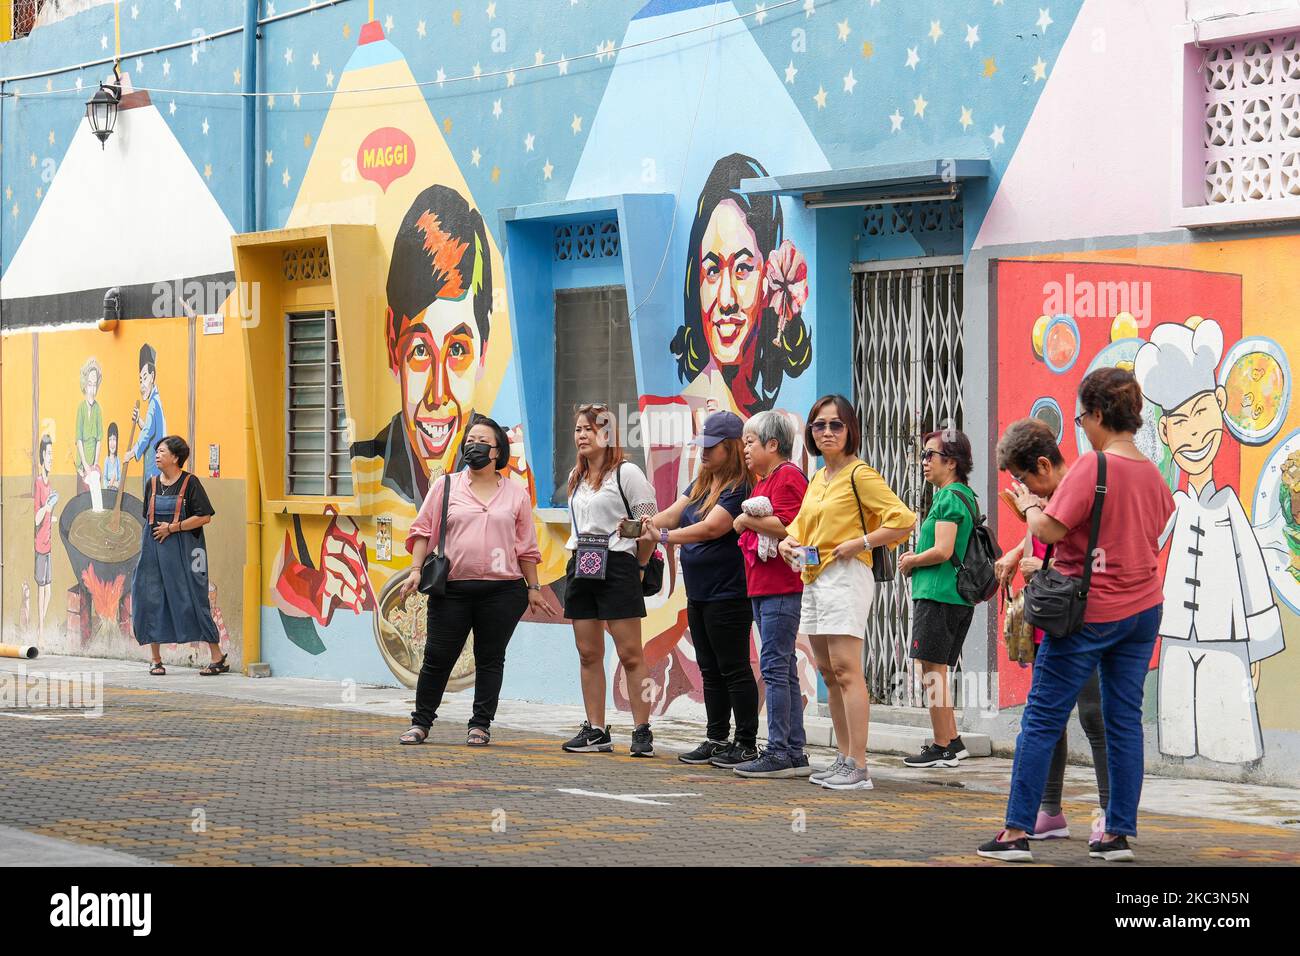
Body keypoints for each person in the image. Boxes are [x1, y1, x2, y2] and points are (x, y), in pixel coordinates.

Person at [978, 369, 1174, 863]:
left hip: (1090, 613)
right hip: (1144, 609)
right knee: (1123, 720)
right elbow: (1149, 532)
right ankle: (1115, 835)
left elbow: (1048, 527)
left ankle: (1016, 832)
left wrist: (1026, 506)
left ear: (1100, 414)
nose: (1082, 426)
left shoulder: (1093, 467)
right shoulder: (1153, 473)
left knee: (1042, 717)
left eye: (1083, 416)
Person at [1134, 318, 1284, 764]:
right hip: (1177, 636)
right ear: (1165, 432)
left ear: (1220, 405)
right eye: (1180, 422)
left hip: (1228, 638)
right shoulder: (1173, 504)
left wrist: (1257, 646)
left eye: (1202, 414)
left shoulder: (1231, 507)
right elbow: (1142, 546)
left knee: (1232, 739)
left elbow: (1253, 575)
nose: (1194, 434)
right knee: (1178, 736)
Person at [778, 395, 916, 791]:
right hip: (815, 576)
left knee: (846, 669)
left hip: (847, 575)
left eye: (835, 425)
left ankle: (859, 765)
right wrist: (788, 544)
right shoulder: (820, 478)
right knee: (827, 671)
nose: (826, 432)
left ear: (850, 429)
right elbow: (800, 528)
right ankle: (843, 757)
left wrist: (861, 543)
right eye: (819, 425)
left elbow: (903, 520)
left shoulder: (861, 474)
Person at [397, 416, 553, 747]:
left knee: (490, 657)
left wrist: (534, 589)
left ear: (497, 451)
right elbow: (423, 530)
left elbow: (526, 547)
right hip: (451, 589)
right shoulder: (446, 486)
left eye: (482, 441)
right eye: (469, 441)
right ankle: (421, 722)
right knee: (438, 656)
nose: (474, 446)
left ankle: (480, 724)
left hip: (503, 592)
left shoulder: (516, 494)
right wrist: (414, 570)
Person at [994, 418, 1110, 843]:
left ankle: (1108, 814)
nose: (1025, 490)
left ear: (1044, 465)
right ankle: (1049, 810)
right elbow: (1039, 537)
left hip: (1083, 619)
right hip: (1049, 618)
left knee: (1095, 716)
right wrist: (1015, 554)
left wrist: (1036, 563)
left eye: (1025, 479)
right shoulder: (1044, 498)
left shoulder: (1079, 489)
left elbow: (1077, 550)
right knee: (1048, 720)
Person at [352, 185, 495, 506]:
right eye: (420, 351)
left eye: (457, 351)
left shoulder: (506, 473)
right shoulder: (360, 473)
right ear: (392, 345)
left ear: (483, 350)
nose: (438, 395)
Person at [644, 411, 757, 769]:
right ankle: (716, 737)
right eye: (702, 446)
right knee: (709, 668)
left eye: (711, 447)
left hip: (729, 592)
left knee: (734, 667)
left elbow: (711, 529)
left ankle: (746, 742)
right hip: (700, 592)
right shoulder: (701, 483)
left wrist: (663, 537)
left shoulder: (739, 487)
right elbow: (673, 513)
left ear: (731, 448)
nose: (703, 453)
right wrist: (642, 524)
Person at [671, 153, 812, 416]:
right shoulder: (681, 419)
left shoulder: (787, 427)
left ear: (769, 277)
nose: (726, 300)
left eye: (743, 269)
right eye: (712, 270)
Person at [561, 404, 659, 757]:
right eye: (578, 429)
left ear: (608, 434)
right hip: (581, 563)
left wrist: (641, 566)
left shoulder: (627, 473)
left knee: (631, 653)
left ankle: (642, 729)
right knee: (588, 653)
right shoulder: (577, 476)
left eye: (591, 428)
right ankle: (596, 730)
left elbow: (649, 528)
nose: (582, 435)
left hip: (618, 563)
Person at [732, 410, 813, 778]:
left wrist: (746, 520)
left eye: (750, 442)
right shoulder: (765, 479)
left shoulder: (788, 476)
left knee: (774, 667)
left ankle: (779, 749)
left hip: (782, 586)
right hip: (764, 587)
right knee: (783, 668)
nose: (745, 449)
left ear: (773, 444)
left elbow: (790, 525)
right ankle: (793, 749)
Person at [897, 429, 977, 769]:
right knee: (938, 669)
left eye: (931, 455)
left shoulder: (947, 498)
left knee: (932, 671)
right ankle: (953, 739)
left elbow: (943, 550)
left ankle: (941, 745)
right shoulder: (965, 495)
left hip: (938, 594)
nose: (925, 461)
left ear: (952, 462)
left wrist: (911, 559)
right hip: (953, 596)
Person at [131, 436, 226, 676]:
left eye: (161, 451)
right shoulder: (151, 484)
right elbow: (148, 518)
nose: (157, 455)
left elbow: (205, 517)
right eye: (156, 451)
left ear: (175, 457)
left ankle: (217, 657)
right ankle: (155, 659)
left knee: (195, 599)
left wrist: (172, 528)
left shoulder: (190, 483)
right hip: (154, 553)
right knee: (151, 599)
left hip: (186, 553)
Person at [124, 343, 166, 492]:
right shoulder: (155, 402)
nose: (142, 384)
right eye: (140, 380)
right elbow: (150, 427)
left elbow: (148, 432)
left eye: (145, 378)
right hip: (154, 467)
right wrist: (138, 421)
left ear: (153, 376)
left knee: (152, 505)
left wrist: (133, 452)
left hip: (154, 469)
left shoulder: (154, 403)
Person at [33, 435, 57, 638]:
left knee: (49, 591)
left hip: (48, 544)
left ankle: (40, 627)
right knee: (41, 589)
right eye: (49, 454)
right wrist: (47, 507)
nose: (52, 458)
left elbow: (46, 514)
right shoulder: (39, 483)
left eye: (53, 454)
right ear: (42, 454)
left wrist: (52, 516)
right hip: (40, 545)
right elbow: (36, 517)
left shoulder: (49, 485)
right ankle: (40, 631)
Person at [75, 358, 103, 495]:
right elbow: (78, 440)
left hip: (93, 465)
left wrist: (95, 464)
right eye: (90, 384)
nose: (92, 389)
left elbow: (99, 440)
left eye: (94, 385)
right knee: (81, 500)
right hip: (82, 464)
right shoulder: (80, 408)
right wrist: (85, 465)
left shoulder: (98, 409)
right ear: (85, 385)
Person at [102, 422, 121, 491]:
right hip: (108, 492)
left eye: (114, 439)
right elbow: (104, 479)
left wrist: (116, 484)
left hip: (116, 492)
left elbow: (120, 479)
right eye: (110, 439)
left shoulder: (118, 460)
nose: (112, 443)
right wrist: (110, 483)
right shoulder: (106, 460)